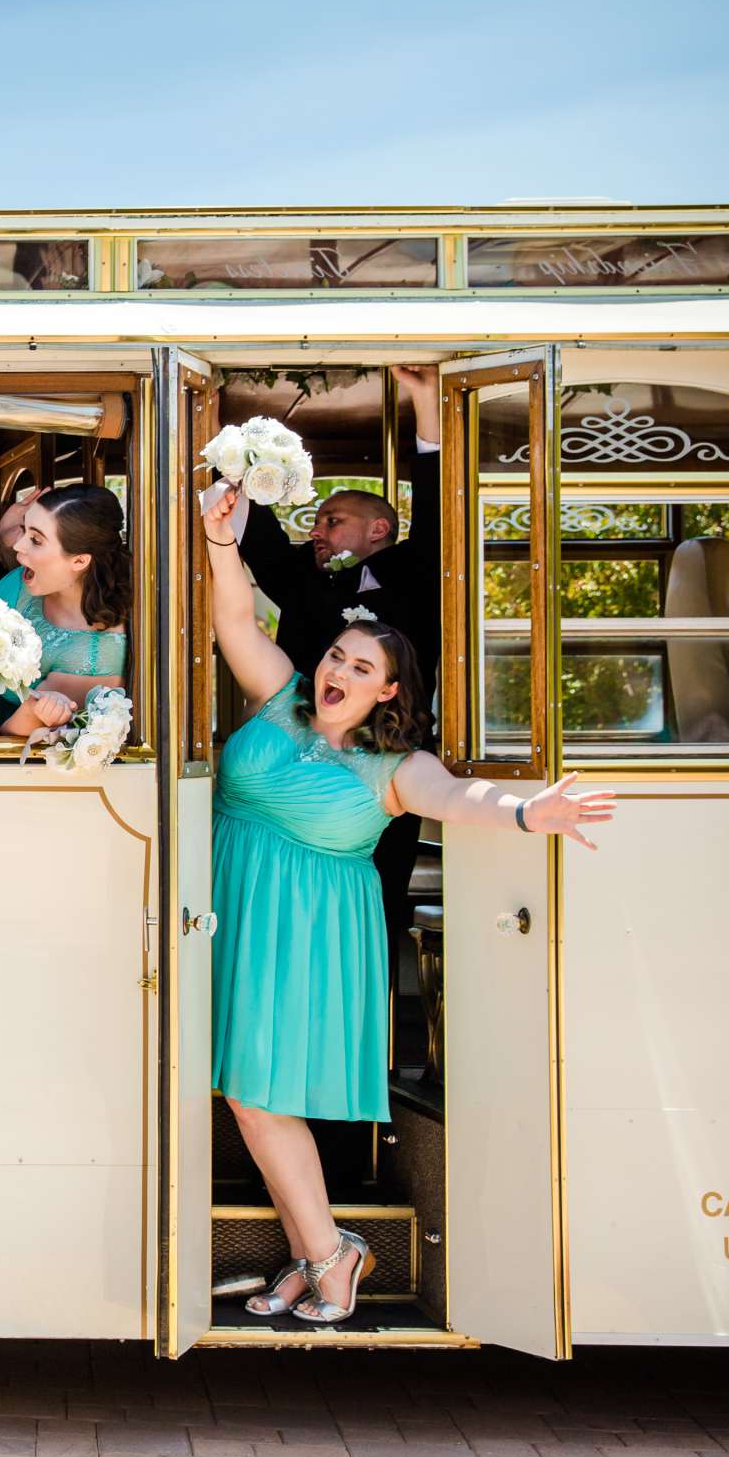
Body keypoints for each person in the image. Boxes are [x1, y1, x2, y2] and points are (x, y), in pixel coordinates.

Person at [200, 481, 613, 1324]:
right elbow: (237, 619)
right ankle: (311, 1249)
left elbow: (464, 801)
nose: (336, 671)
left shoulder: (398, 769)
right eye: (335, 657)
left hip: (308, 935)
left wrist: (531, 810)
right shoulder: (278, 699)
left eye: (360, 667)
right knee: (247, 1092)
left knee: (255, 1093)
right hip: (231, 912)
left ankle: (330, 1253)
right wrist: (219, 543)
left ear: (390, 691)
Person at [238, 365, 444, 954]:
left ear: (378, 528)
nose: (319, 530)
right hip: (300, 763)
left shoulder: (416, 571)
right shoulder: (303, 578)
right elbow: (261, 540)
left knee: (376, 905)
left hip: (386, 763)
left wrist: (425, 401)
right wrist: (244, 458)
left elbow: (435, 502)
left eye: (334, 520)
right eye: (317, 520)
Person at [0, 484, 131, 736]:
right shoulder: (32, 577)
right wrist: (4, 534)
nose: (18, 545)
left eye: (35, 539)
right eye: (24, 528)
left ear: (79, 561)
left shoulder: (88, 660)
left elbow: (7, 743)